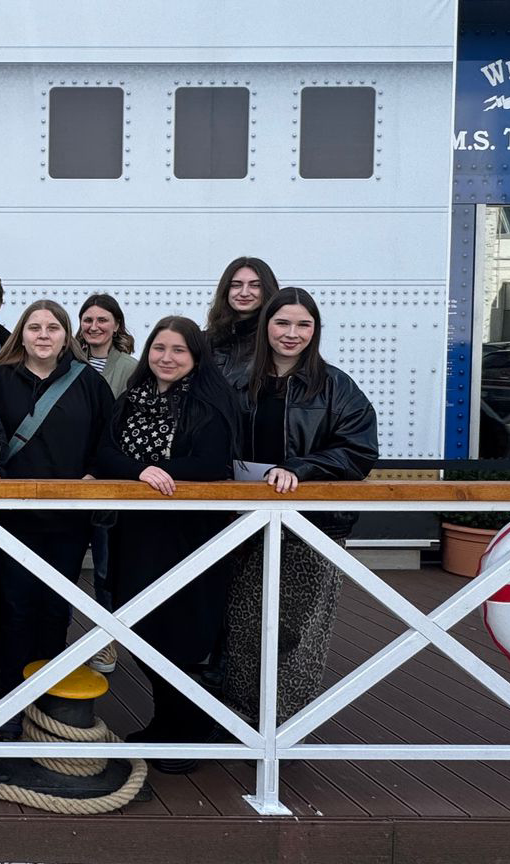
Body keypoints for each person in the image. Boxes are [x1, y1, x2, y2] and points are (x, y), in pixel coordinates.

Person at [219, 287, 379, 727]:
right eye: (282, 323)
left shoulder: (337, 386)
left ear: (315, 330)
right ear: (266, 325)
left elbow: (360, 451)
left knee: (300, 630)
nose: (291, 334)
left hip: (313, 526)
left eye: (303, 325)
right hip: (243, 524)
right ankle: (241, 717)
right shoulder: (237, 382)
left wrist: (302, 467)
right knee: (244, 625)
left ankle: (286, 723)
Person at [96, 316, 237, 774]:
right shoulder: (131, 400)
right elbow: (104, 452)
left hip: (189, 538)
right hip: (137, 535)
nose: (166, 358)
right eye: (159, 348)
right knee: (142, 626)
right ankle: (166, 722)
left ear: (195, 356)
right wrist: (139, 471)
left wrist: (165, 472)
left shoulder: (209, 404)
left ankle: (189, 732)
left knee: (182, 633)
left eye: (178, 350)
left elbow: (213, 461)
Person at [0, 300, 113, 718]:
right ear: (21, 333)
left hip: (68, 521)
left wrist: (94, 473)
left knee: (56, 607)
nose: (42, 334)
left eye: (52, 328)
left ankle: (47, 690)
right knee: (14, 604)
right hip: (12, 519)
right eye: (34, 327)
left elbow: (108, 439)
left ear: (65, 336)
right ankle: (10, 695)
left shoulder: (88, 384)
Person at [78, 291, 140, 671]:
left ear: (116, 324)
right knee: (60, 566)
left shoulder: (131, 368)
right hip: (69, 478)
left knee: (104, 568)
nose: (95, 326)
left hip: (107, 479)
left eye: (103, 320)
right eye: (88, 319)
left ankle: (105, 640)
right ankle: (56, 637)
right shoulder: (65, 360)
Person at [205, 257, 281, 384]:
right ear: (226, 290)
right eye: (236, 285)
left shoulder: (276, 341)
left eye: (255, 285)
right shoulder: (207, 341)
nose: (244, 293)